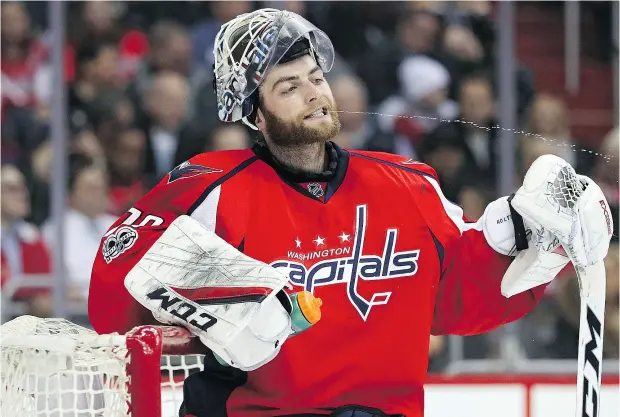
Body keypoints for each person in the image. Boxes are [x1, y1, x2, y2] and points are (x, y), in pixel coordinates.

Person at [88, 9, 613, 417]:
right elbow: (111, 299)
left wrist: (527, 237)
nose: (314, 92)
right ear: (254, 112)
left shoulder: (406, 183)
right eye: (288, 88)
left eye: (315, 77)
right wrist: (214, 293)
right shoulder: (209, 187)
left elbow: (457, 303)